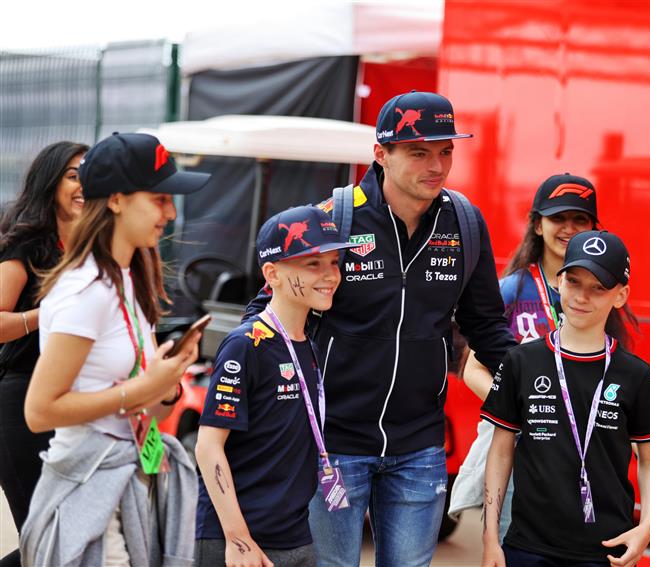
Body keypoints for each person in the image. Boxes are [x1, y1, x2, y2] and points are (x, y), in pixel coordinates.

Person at [244, 90, 516, 566]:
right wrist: (246, 386)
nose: (436, 165)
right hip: (333, 444)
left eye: (446, 150)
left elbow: (487, 327)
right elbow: (269, 313)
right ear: (381, 153)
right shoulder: (335, 220)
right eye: (418, 152)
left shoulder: (465, 223)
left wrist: (540, 386)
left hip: (420, 447)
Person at [19, 133, 210, 566]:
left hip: (123, 487)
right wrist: (144, 386)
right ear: (117, 200)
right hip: (89, 495)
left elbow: (139, 417)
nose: (171, 212)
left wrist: (164, 386)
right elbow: (39, 411)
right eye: (160, 198)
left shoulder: (127, 278)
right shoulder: (85, 290)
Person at [449, 173, 638, 540]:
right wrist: (518, 409)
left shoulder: (600, 291)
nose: (568, 228)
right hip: (521, 444)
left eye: (580, 219)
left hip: (581, 447)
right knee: (513, 541)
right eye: (558, 218)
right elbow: (471, 367)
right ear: (538, 225)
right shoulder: (513, 288)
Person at [481, 230, 650, 567]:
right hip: (527, 548)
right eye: (574, 282)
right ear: (559, 283)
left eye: (598, 288)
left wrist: (647, 526)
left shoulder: (635, 374)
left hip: (606, 550)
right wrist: (490, 539)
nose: (583, 296)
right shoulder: (521, 361)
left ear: (621, 295)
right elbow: (500, 451)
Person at [195, 206, 358, 567]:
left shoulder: (308, 344)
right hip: (241, 541)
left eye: (333, 262)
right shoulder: (245, 344)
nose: (330, 275)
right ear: (273, 274)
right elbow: (208, 448)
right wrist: (238, 540)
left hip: (296, 535)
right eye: (313, 264)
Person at [0, 141, 88, 567]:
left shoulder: (93, 248)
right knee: (43, 537)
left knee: (70, 534)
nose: (82, 184)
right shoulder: (27, 244)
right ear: (50, 181)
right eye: (73, 174)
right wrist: (47, 314)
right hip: (21, 401)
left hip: (74, 401)